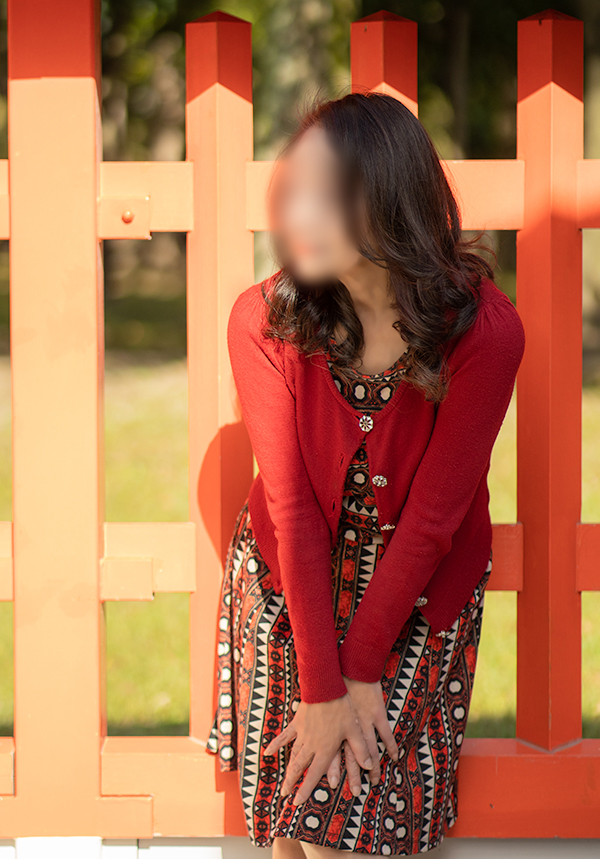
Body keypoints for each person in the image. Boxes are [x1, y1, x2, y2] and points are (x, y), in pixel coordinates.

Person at [205, 91, 525, 856]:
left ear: (389, 199)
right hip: (293, 588)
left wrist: (359, 675)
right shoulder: (263, 321)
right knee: (299, 815)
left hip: (415, 588)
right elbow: (291, 510)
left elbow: (434, 520)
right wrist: (324, 685)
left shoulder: (484, 330)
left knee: (342, 816)